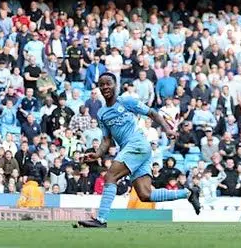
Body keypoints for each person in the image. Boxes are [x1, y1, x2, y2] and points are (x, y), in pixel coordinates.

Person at [76, 73, 200, 228]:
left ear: (116, 85)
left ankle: (101, 219)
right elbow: (107, 140)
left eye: (108, 83)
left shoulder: (126, 101)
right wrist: (97, 154)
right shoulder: (101, 113)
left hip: (137, 144)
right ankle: (188, 193)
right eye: (102, 84)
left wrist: (167, 129)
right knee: (145, 195)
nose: (105, 87)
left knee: (110, 177)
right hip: (134, 150)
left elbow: (152, 113)